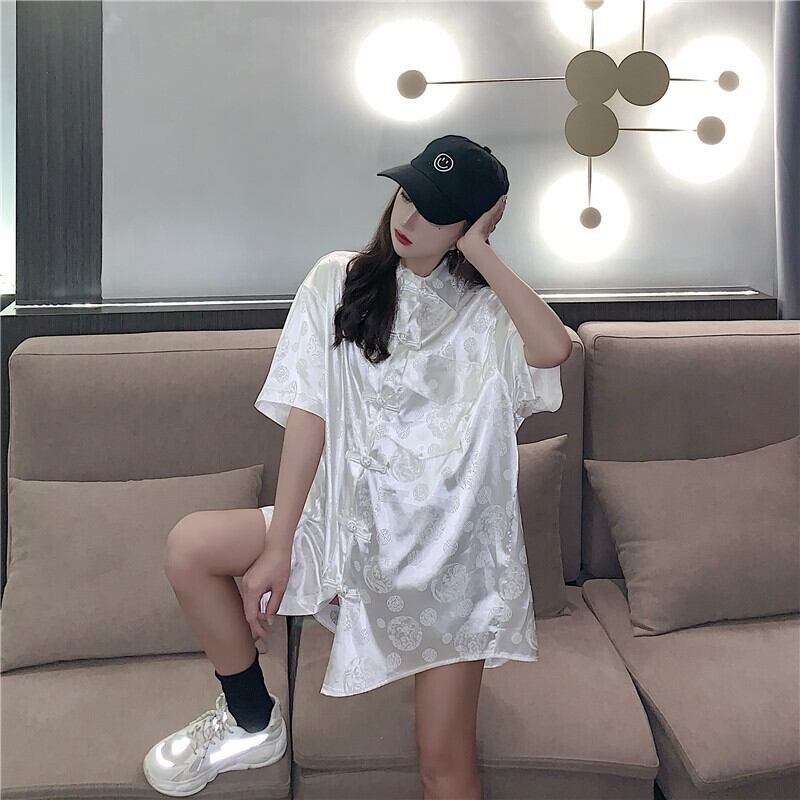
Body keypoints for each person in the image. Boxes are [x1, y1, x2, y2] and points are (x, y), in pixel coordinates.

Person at [143, 134, 571, 798]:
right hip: (343, 528)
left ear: (470, 226)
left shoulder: (489, 313)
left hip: (450, 564)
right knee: (190, 546)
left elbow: (553, 350)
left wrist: (482, 251)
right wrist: (280, 543)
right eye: (406, 195)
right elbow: (310, 412)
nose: (408, 218)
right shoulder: (338, 279)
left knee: (443, 762)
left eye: (436, 213)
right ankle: (251, 720)